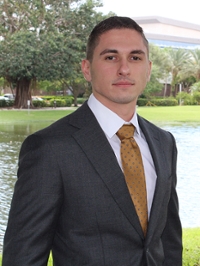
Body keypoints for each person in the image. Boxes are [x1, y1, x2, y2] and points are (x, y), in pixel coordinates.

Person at [2, 16, 182, 266]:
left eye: (135, 57)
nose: (124, 69)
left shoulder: (164, 143)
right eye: (111, 57)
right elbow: (23, 258)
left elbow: (168, 241)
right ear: (87, 68)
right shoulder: (49, 149)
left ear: (148, 69)